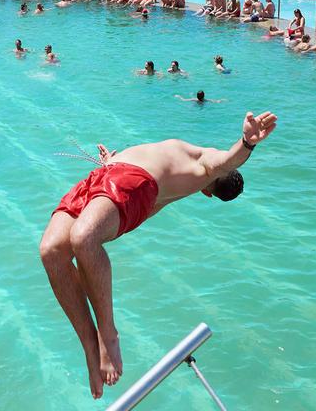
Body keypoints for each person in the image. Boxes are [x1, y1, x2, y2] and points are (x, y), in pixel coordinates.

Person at [39, 111, 277, 399]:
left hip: (130, 181)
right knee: (51, 251)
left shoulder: (206, 165)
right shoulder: (186, 173)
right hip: (105, 176)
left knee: (84, 238)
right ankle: (90, 346)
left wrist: (246, 143)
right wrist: (111, 162)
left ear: (210, 189)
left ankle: (108, 335)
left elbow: (227, 160)